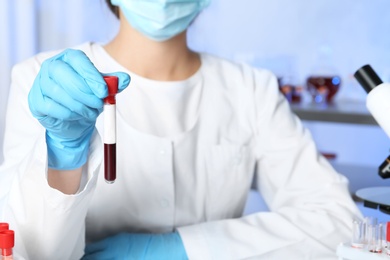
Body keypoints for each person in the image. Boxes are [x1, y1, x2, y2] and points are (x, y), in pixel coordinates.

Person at [0, 0, 362, 259]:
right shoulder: (45, 82)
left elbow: (339, 222)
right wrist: (63, 157)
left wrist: (187, 248)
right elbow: (26, 249)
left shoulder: (250, 88)